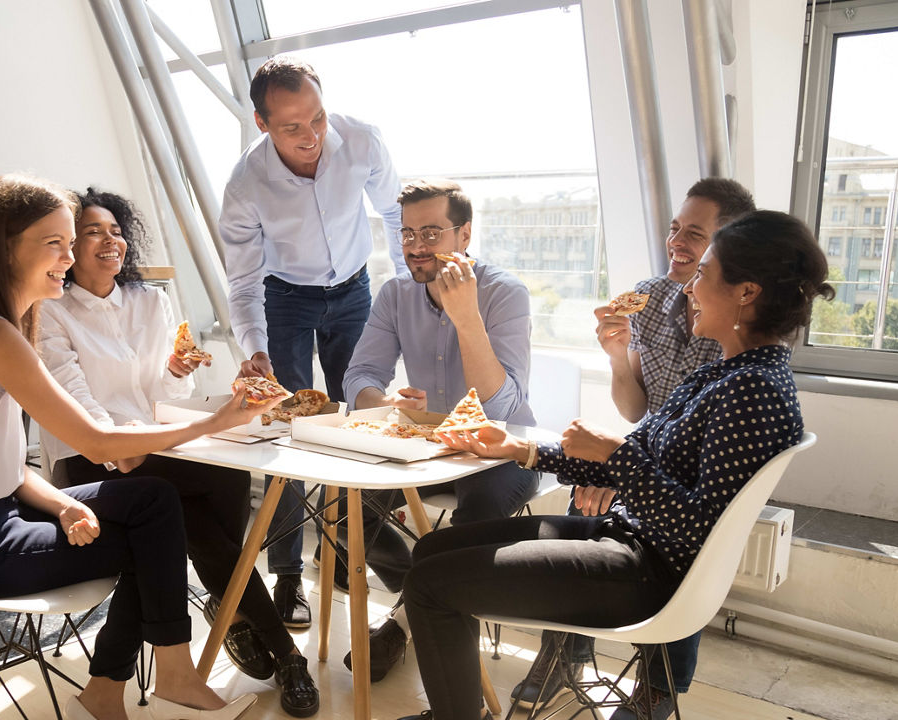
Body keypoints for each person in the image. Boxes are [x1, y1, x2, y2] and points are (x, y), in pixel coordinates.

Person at [396, 210, 833, 720]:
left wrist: (616, 454)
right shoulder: (729, 373)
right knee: (429, 551)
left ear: (747, 292)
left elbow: (696, 526)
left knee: (429, 584)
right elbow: (634, 460)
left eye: (705, 274)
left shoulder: (752, 391)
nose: (690, 288)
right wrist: (520, 451)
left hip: (647, 572)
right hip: (622, 540)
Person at [0, 174, 281, 720]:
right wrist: (216, 421)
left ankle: (118, 687)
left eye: (67, 242)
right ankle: (164, 675)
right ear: (5, 247)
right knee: (153, 539)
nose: (68, 255)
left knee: (152, 500)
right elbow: (94, 440)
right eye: (55, 243)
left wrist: (62, 502)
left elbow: (6, 465)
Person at [36, 188, 319, 717]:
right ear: (70, 246)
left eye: (116, 230)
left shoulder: (150, 301)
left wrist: (175, 372)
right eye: (93, 232)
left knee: (226, 476)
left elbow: (166, 400)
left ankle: (233, 609)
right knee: (181, 512)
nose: (110, 241)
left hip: (155, 446)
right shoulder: (50, 311)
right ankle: (282, 651)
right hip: (89, 459)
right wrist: (127, 446)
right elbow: (79, 410)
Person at [512, 178, 757, 714]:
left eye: (695, 234)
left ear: (730, 246)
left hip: (692, 482)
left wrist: (618, 467)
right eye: (675, 229)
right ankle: (565, 651)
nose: (677, 242)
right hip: (650, 449)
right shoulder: (652, 298)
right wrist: (618, 354)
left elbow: (688, 455)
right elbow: (635, 410)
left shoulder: (744, 335)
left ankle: (659, 683)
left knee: (664, 531)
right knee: (584, 497)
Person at [219, 55, 404, 627]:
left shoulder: (363, 141)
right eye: (292, 127)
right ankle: (289, 580)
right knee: (288, 436)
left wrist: (410, 293)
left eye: (317, 119)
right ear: (261, 124)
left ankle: (350, 550)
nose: (311, 137)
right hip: (285, 300)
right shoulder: (246, 184)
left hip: (354, 291)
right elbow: (244, 281)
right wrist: (256, 350)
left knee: (363, 421)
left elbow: (397, 216)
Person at [335, 179, 539, 682]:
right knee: (344, 514)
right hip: (427, 447)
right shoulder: (395, 294)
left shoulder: (505, 293)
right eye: (407, 234)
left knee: (475, 517)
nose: (417, 247)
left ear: (464, 235)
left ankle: (403, 623)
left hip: (501, 452)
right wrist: (386, 403)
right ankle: (423, 599)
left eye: (431, 232)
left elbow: (500, 406)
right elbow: (358, 377)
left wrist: (466, 316)